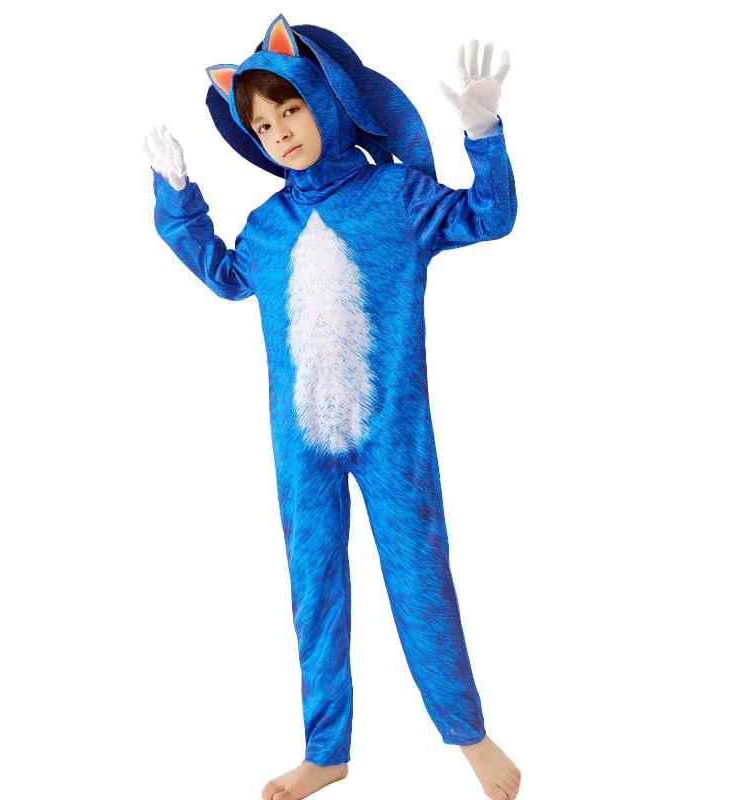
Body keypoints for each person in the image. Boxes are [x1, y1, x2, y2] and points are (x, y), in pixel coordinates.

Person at [143, 14, 521, 800]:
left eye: (290, 110)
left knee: (419, 575)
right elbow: (224, 276)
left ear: (325, 100)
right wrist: (178, 199)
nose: (279, 132)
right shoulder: (267, 227)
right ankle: (327, 751)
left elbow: (489, 217)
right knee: (314, 587)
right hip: (299, 441)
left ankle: (468, 734)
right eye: (262, 125)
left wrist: (483, 135)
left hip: (392, 433)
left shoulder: (396, 196)